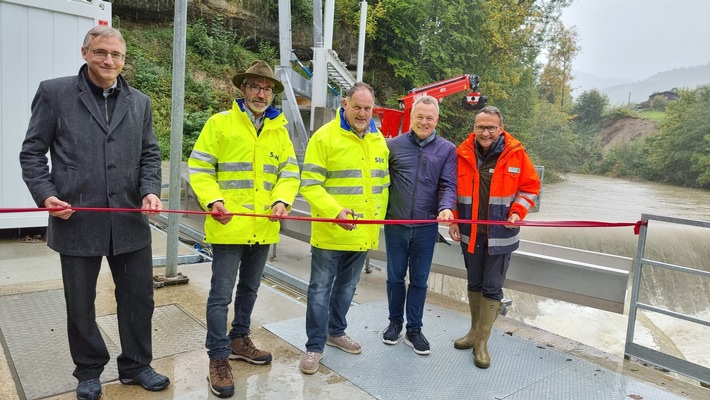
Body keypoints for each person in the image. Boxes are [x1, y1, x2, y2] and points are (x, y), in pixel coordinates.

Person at [18, 26, 169, 400]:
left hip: (129, 220)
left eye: (116, 55)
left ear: (123, 59)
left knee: (139, 299)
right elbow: (33, 152)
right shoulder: (54, 93)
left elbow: (149, 154)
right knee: (81, 303)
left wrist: (150, 190)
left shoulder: (140, 102)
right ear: (85, 53)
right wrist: (46, 195)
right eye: (101, 52)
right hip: (76, 218)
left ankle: (136, 366)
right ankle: (88, 371)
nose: (109, 61)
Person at [188, 60, 300, 397]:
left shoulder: (279, 130)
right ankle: (218, 356)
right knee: (221, 295)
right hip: (228, 224)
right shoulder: (220, 124)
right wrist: (212, 200)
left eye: (267, 88)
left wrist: (282, 200)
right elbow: (200, 166)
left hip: (263, 227)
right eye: (255, 86)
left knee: (250, 289)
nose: (261, 93)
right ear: (243, 89)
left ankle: (239, 339)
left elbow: (290, 172)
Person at [298, 82, 390, 374]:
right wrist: (335, 212)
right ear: (345, 104)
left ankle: (336, 332)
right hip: (330, 232)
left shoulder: (379, 141)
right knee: (320, 288)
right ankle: (314, 346)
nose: (363, 113)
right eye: (357, 107)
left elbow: (382, 188)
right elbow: (310, 185)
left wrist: (375, 226)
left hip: (362, 232)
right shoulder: (324, 137)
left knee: (347, 288)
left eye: (368, 108)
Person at [448, 105, 540, 369]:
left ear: (500, 128)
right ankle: (473, 333)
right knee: (474, 283)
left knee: (492, 287)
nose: (485, 132)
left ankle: (482, 342)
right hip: (470, 233)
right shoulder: (462, 153)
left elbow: (530, 187)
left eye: (490, 127)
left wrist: (518, 210)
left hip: (501, 235)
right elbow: (451, 189)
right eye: (481, 127)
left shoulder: (516, 154)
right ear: (474, 128)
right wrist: (454, 218)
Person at [382, 95, 456, 355]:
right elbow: (379, 182)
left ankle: (414, 329)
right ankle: (394, 323)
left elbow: (448, 185)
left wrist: (446, 207)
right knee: (394, 277)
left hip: (426, 228)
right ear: (411, 117)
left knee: (420, 280)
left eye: (429, 118)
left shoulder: (447, 150)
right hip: (396, 224)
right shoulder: (391, 146)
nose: (424, 122)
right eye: (419, 117)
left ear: (437, 120)